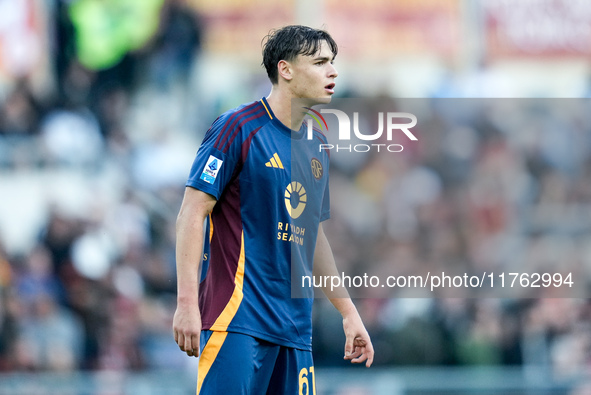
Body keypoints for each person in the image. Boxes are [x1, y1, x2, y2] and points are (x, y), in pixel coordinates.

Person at [172, 25, 374, 394]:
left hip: (295, 329)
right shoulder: (237, 127)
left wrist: (348, 312)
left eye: (333, 63)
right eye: (320, 63)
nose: (333, 72)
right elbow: (191, 212)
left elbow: (312, 236)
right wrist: (187, 303)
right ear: (286, 70)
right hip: (237, 321)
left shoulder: (316, 144)